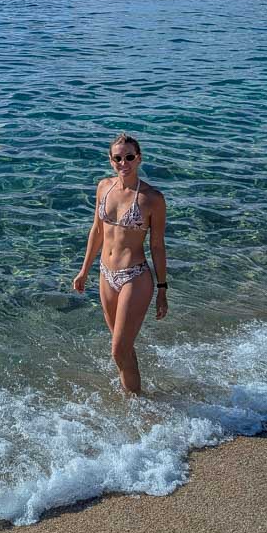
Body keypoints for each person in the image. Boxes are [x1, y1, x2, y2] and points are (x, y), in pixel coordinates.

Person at [72, 133, 167, 393]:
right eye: (117, 158)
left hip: (134, 276)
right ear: (111, 160)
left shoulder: (152, 199)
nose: (123, 162)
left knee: (118, 349)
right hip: (106, 274)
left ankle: (138, 403)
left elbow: (157, 246)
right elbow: (97, 231)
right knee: (122, 347)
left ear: (139, 159)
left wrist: (162, 289)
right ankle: (135, 402)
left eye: (129, 157)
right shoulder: (104, 187)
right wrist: (84, 270)